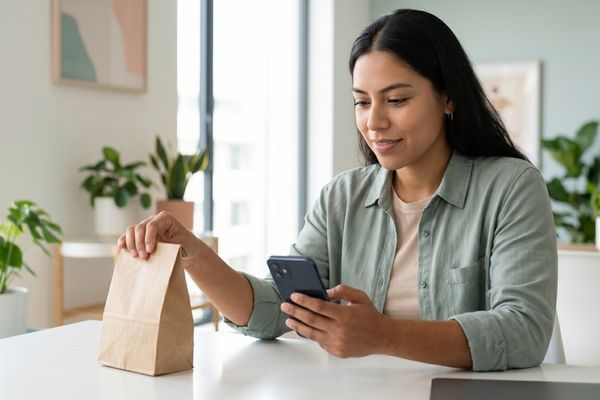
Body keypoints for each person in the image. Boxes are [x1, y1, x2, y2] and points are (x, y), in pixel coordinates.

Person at [119, 9, 557, 372]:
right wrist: (193, 252)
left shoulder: (511, 188)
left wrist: (383, 335)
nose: (374, 121)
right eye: (362, 101)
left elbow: (524, 331)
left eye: (397, 100)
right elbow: (276, 309)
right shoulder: (341, 197)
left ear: (447, 97)